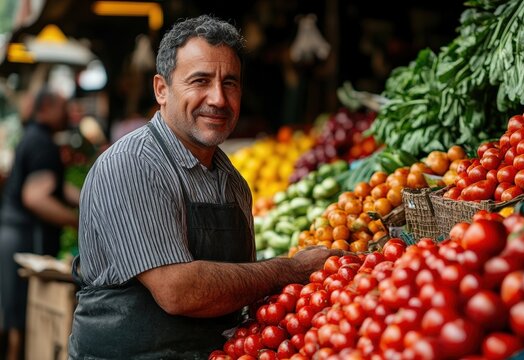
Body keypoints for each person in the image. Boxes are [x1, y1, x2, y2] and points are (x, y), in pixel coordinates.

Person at [67, 15, 344, 359]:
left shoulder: (233, 183)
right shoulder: (133, 164)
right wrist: (291, 270)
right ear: (161, 89)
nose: (218, 98)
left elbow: (239, 289)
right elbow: (177, 291)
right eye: (200, 81)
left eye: (230, 83)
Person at [0, 89, 80, 360]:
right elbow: (36, 197)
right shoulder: (41, 143)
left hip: (14, 233)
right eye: (64, 107)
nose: (69, 114)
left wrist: (90, 199)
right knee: (20, 321)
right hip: (25, 238)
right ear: (46, 108)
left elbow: (53, 186)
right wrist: (77, 222)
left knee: (16, 317)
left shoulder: (35, 137)